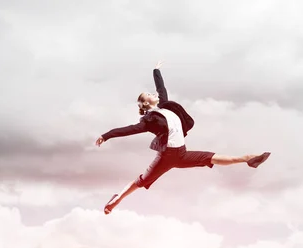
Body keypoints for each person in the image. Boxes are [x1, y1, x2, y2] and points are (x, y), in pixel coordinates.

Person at [95, 61, 271, 214]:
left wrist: (156, 71)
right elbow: (130, 129)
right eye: (149, 95)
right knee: (141, 181)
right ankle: (116, 200)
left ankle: (250, 159)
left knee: (213, 158)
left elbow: (161, 89)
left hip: (182, 153)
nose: (154, 94)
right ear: (146, 103)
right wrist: (106, 135)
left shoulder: (166, 107)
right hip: (166, 157)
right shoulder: (149, 120)